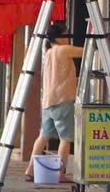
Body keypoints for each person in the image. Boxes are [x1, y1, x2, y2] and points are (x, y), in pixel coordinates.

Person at [33, 43, 80, 180]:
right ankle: (59, 174)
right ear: (60, 36)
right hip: (63, 100)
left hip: (48, 100)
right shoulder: (63, 49)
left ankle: (30, 170)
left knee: (43, 136)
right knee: (65, 139)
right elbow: (85, 50)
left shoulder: (48, 52)